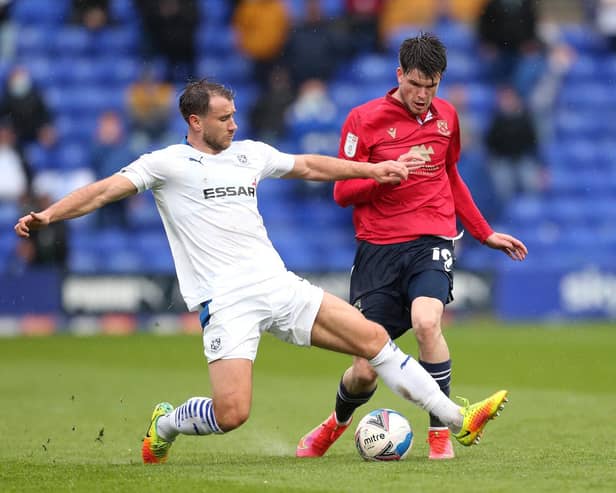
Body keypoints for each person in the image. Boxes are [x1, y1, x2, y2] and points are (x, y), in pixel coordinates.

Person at [14, 79, 511, 465]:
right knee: (232, 414)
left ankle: (456, 419)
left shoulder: (250, 153)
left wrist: (373, 170)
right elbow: (102, 191)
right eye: (224, 118)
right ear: (194, 121)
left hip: (278, 285)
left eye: (234, 116)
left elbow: (313, 166)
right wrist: (49, 215)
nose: (234, 125)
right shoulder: (167, 164)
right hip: (226, 301)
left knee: (374, 339)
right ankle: (165, 424)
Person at [295, 33, 527, 461]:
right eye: (415, 84)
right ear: (399, 74)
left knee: (426, 321)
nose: (423, 95)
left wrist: (482, 232)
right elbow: (342, 193)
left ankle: (441, 435)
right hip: (378, 249)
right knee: (364, 370)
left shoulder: (448, 118)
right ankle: (336, 423)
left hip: (432, 240)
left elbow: (450, 176)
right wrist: (383, 174)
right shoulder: (363, 120)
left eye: (432, 86)